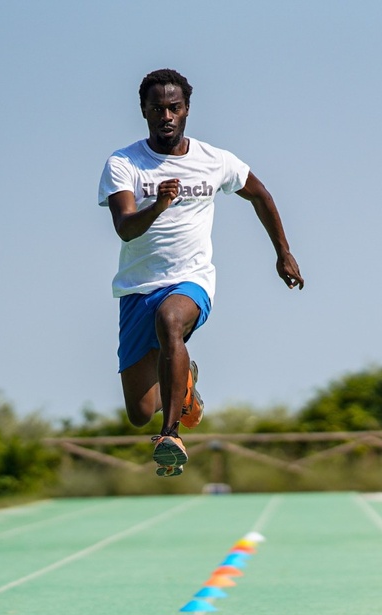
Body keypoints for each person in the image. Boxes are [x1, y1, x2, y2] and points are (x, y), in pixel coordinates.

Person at [98, 68, 304, 476]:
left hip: (191, 281)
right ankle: (184, 383)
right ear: (143, 110)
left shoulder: (214, 160)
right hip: (137, 288)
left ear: (187, 109)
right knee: (139, 411)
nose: (166, 116)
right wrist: (158, 205)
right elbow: (125, 228)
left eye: (174, 107)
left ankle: (171, 435)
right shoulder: (124, 163)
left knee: (170, 320)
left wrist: (283, 252)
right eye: (157, 108)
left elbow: (260, 194)